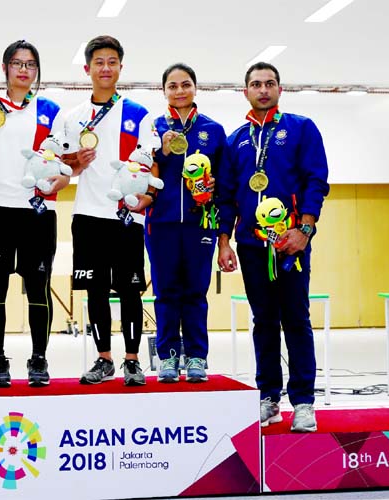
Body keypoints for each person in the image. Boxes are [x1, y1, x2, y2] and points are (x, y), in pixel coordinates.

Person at [216, 62, 329, 432]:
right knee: (263, 321)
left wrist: (305, 230)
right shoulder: (236, 140)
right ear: (245, 91)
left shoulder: (300, 128)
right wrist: (224, 241)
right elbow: (228, 195)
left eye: (269, 83)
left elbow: (316, 180)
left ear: (280, 89)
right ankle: (268, 396)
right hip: (251, 244)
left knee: (296, 319)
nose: (263, 89)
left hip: (290, 243)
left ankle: (304, 402)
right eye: (255, 84)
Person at [61, 35, 159, 386]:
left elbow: (153, 165)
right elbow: (61, 166)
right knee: (96, 290)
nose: (105, 68)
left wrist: (146, 197)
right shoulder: (72, 117)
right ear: (87, 68)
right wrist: (76, 162)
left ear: (120, 67)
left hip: (126, 216)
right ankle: (103, 359)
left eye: (112, 61)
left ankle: (132, 361)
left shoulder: (139, 115)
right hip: (88, 216)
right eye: (98, 62)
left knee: (131, 290)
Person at [0, 40, 67, 388]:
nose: (24, 69)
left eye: (30, 64)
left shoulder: (51, 110)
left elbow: (61, 159)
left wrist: (63, 177)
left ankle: (39, 358)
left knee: (38, 288)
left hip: (37, 210)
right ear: (5, 69)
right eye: (17, 63)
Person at [145, 63, 226, 383]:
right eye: (173, 85)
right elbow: (143, 173)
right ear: (164, 90)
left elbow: (226, 182)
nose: (179, 90)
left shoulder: (213, 130)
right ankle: (167, 356)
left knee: (195, 292)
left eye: (185, 84)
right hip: (161, 223)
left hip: (199, 223)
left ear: (195, 88)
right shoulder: (152, 128)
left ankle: (196, 356)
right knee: (165, 292)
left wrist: (221, 230)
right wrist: (162, 152)